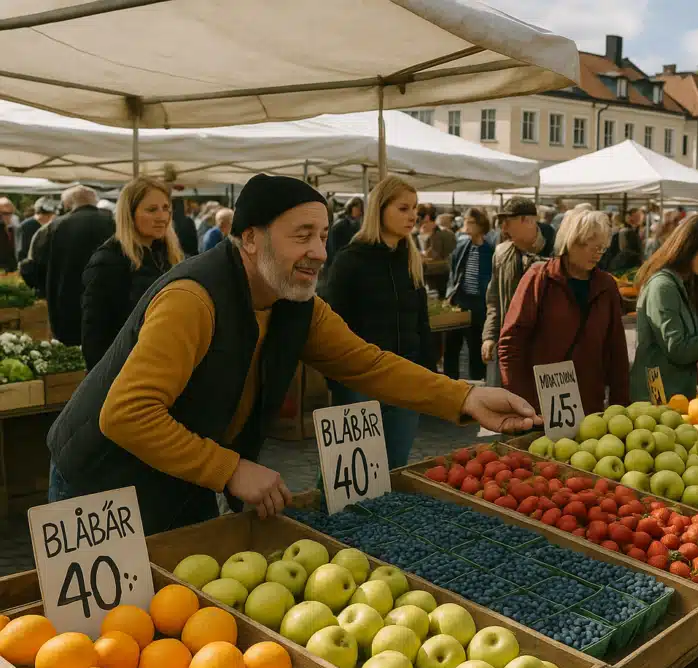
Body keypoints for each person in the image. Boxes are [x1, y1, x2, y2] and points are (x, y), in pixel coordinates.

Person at [47, 173, 540, 534]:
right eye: (301, 236)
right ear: (249, 238)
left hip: (179, 474)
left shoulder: (296, 302)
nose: (320, 253)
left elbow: (366, 362)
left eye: (323, 236)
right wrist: (231, 469)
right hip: (101, 481)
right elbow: (127, 414)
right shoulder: (192, 300)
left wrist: (465, 397)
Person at [321, 176, 433, 469]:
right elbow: (333, 325)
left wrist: (429, 373)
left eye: (415, 208)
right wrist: (338, 380)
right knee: (352, 472)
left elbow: (422, 321)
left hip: (406, 376)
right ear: (380, 209)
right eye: (403, 208)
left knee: (395, 465)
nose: (412, 216)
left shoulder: (411, 259)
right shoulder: (350, 261)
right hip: (360, 379)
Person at [499, 208, 630, 412]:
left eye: (602, 248)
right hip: (539, 405)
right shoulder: (539, 278)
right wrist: (522, 400)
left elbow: (616, 350)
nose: (597, 253)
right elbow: (511, 344)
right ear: (571, 241)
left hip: (590, 406)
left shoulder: (606, 286)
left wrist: (620, 405)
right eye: (591, 245)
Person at [82, 177, 185, 370]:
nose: (162, 216)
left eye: (166, 208)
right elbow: (95, 334)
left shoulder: (167, 256)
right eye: (152, 209)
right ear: (130, 214)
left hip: (163, 365)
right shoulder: (109, 261)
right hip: (126, 371)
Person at [630, 215, 698, 400]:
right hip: (659, 395)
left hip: (675, 392)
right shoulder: (663, 286)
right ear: (690, 248)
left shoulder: (682, 283)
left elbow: (692, 323)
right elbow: (678, 348)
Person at [18, 186, 115, 346]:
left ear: (68, 204)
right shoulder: (115, 225)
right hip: (110, 310)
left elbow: (32, 269)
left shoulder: (51, 228)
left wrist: (44, 289)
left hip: (66, 310)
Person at [481, 197, 545, 373]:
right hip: (509, 346)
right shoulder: (501, 253)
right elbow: (493, 300)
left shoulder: (555, 251)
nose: (503, 228)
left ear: (528, 221)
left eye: (508, 222)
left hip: (544, 349)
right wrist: (489, 336)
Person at [445, 207, 494, 381]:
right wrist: (450, 296)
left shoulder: (490, 250)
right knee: (451, 347)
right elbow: (454, 272)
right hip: (460, 301)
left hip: (479, 304)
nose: (466, 224)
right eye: (465, 220)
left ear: (480, 225)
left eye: (470, 221)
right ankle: (449, 382)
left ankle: (477, 383)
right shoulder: (462, 246)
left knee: (475, 348)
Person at [325, 196, 363, 270]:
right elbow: (331, 246)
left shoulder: (358, 225)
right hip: (338, 263)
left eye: (360, 209)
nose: (359, 211)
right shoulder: (340, 225)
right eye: (357, 208)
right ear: (351, 208)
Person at [602, 207, 644, 272]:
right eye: (639, 216)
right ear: (630, 217)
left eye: (641, 216)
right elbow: (624, 250)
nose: (641, 219)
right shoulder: (625, 231)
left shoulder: (634, 230)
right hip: (624, 266)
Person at [0, 197, 18, 271]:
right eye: (5, 213)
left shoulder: (14, 226)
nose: (8, 216)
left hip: (11, 267)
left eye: (10, 213)